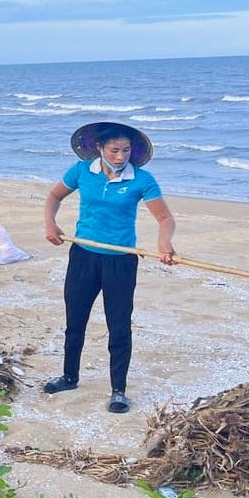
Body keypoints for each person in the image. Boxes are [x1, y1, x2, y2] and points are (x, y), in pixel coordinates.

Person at [42, 121, 177, 414]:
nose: (120, 156)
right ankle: (69, 377)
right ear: (99, 148)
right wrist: (50, 223)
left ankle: (118, 390)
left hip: (121, 261)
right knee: (75, 321)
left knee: (119, 326)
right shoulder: (81, 171)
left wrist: (164, 243)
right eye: (114, 150)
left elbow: (165, 218)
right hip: (83, 256)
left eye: (126, 150)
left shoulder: (142, 180)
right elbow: (54, 197)